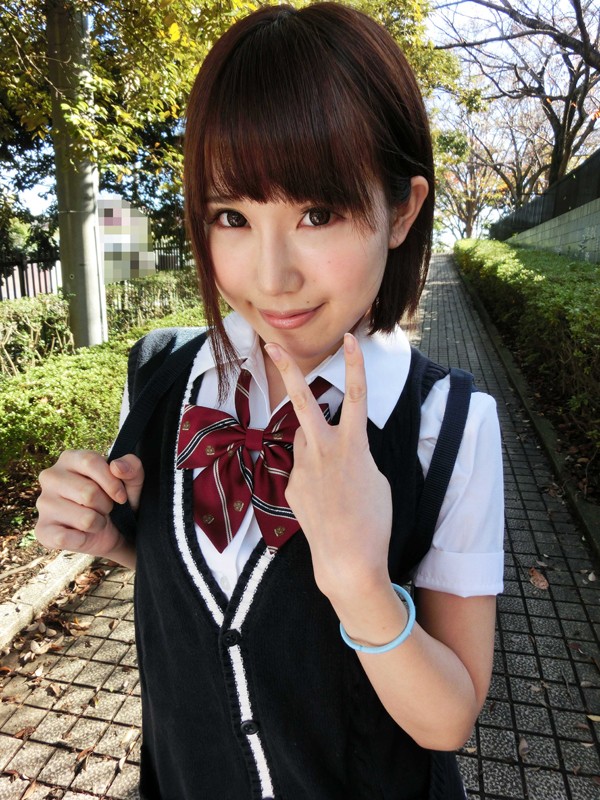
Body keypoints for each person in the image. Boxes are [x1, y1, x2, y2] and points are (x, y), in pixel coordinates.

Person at [35, 3, 504, 798]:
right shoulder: (158, 376)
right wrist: (110, 536)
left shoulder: (448, 426)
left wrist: (361, 585)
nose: (271, 275)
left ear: (402, 211)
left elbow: (449, 719)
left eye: (317, 213)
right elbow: (200, 583)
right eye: (232, 217)